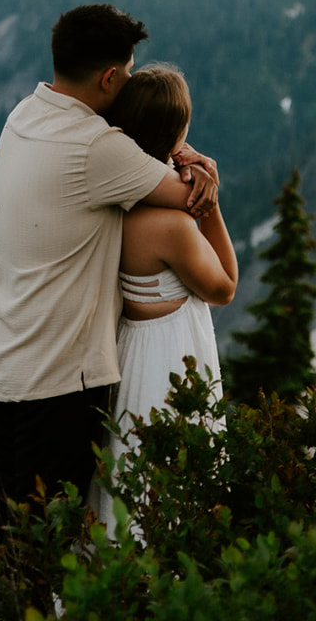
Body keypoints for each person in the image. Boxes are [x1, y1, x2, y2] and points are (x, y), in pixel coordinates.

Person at [0, 4, 218, 617]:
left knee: (5, 517)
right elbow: (183, 193)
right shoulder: (97, 148)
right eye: (129, 73)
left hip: (1, 361)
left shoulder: (25, 115)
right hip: (54, 380)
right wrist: (198, 164)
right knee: (44, 534)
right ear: (109, 78)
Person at [94, 63, 237, 530]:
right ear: (179, 134)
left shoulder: (115, 200)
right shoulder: (173, 225)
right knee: (172, 480)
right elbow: (224, 287)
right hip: (172, 359)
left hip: (129, 351)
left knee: (129, 472)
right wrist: (208, 205)